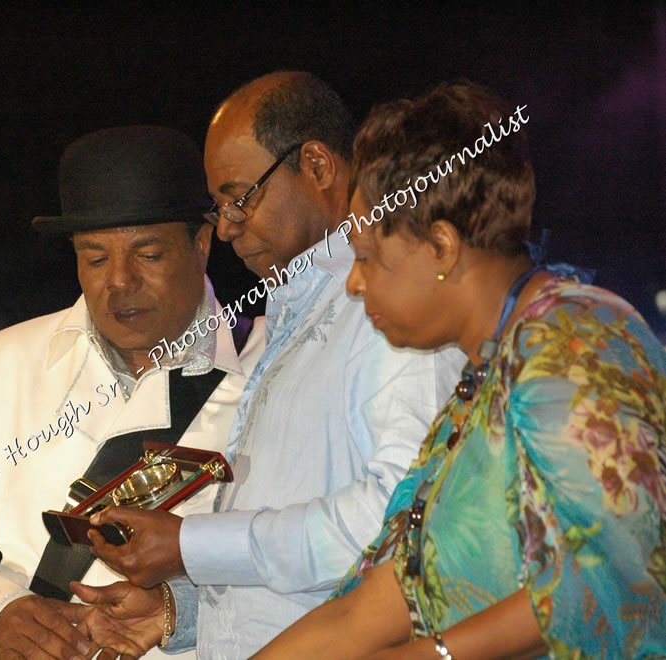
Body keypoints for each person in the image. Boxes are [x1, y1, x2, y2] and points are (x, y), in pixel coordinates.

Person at [252, 81, 666, 658]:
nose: (353, 280)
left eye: (367, 257)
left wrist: (431, 654)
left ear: (441, 247)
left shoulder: (573, 339)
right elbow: (368, 611)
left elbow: (622, 577)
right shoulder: (489, 368)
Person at [80, 72, 465, 658]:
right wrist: (179, 611)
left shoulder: (392, 308)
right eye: (219, 206)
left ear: (316, 165)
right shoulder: (294, 308)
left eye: (241, 196)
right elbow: (296, 559)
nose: (229, 225)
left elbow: (398, 521)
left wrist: (192, 544)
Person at [0, 125, 266, 660]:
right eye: (95, 257)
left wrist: (180, 607)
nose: (120, 282)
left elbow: (312, 552)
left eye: (148, 254)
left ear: (200, 244)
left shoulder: (275, 364)